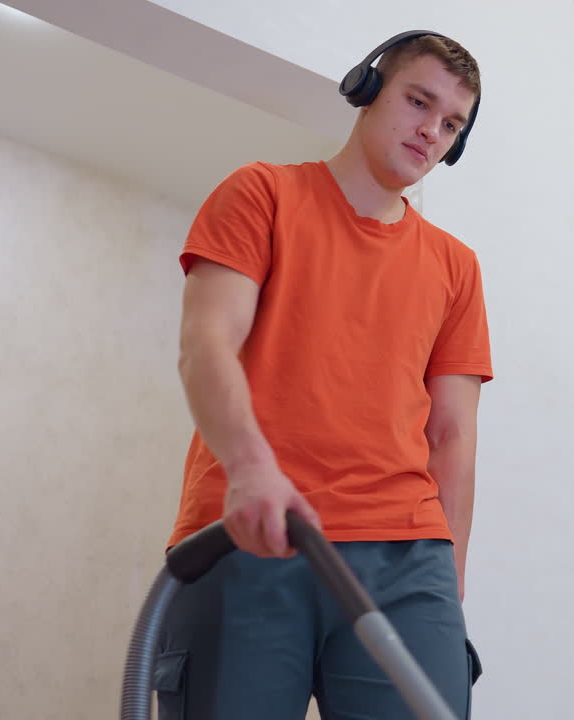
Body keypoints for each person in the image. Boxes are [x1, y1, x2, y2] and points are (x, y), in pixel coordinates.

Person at [155, 31, 492, 720]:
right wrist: (250, 467)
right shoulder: (263, 193)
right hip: (251, 530)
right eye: (417, 100)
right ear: (366, 90)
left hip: (405, 557)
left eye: (451, 122)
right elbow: (206, 342)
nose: (431, 131)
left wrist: (447, 574)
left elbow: (452, 431)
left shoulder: (456, 267)